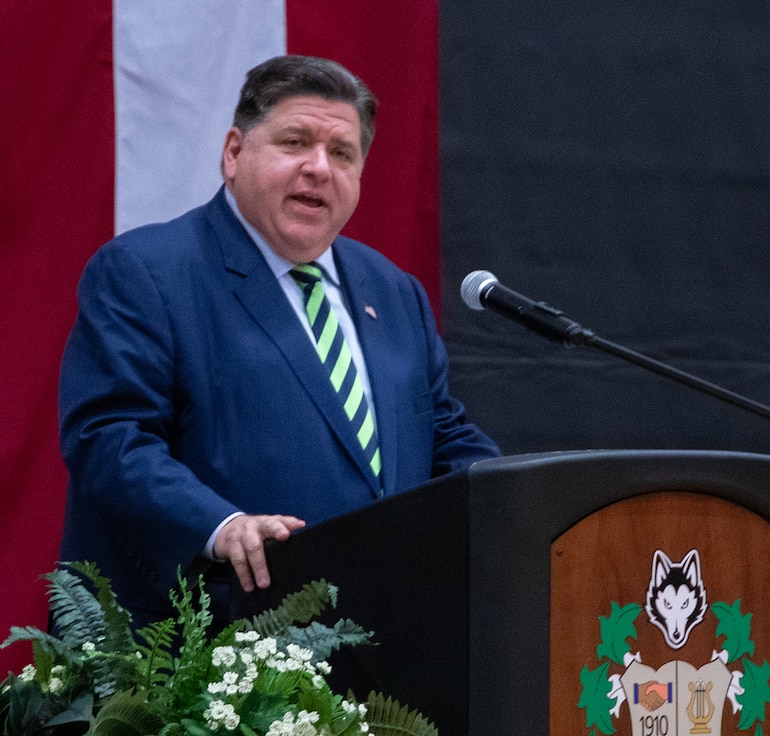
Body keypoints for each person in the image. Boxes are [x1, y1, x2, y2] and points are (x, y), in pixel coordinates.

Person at [58, 55, 500, 629]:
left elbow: (440, 438)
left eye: (342, 154)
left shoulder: (394, 293)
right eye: (295, 142)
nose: (319, 168)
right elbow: (110, 438)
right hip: (199, 649)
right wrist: (220, 526)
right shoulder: (148, 272)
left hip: (377, 651)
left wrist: (518, 498)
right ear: (234, 153)